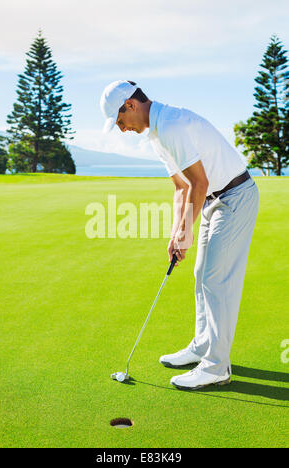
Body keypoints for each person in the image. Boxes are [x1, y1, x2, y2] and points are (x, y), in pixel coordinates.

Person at [100, 80, 259, 390]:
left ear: (130, 106)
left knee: (217, 280)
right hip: (215, 200)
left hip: (236, 196)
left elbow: (199, 183)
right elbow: (181, 187)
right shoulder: (157, 135)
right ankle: (202, 346)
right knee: (201, 274)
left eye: (120, 121)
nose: (122, 129)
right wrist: (176, 232)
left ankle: (216, 366)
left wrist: (186, 231)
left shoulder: (172, 125)